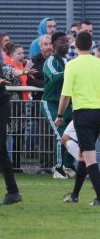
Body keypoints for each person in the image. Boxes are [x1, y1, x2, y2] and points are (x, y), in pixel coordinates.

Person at [56, 31, 100, 206]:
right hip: (98, 114)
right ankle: (74, 195)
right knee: (83, 155)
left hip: (82, 114)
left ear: (75, 44)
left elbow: (65, 95)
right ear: (92, 45)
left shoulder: (71, 65)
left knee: (89, 157)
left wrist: (59, 115)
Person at [41, 32, 75, 179]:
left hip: (68, 103)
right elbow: (54, 77)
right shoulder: (50, 61)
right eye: (62, 42)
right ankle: (58, 168)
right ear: (54, 44)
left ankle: (67, 166)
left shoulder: (69, 61)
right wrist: (72, 71)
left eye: (67, 42)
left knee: (72, 135)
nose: (66, 44)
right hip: (51, 103)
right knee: (60, 133)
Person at [27, 35, 54, 172]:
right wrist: (49, 85)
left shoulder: (58, 60)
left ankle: (56, 164)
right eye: (45, 44)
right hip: (40, 103)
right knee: (43, 135)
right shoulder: (32, 61)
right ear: (40, 46)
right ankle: (45, 166)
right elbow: (30, 80)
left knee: (55, 135)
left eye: (50, 43)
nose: (48, 46)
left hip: (56, 103)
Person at [0, 66, 22, 205]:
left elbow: (7, 73)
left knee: (0, 146)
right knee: (1, 150)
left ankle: (13, 192)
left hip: (1, 104)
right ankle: (13, 192)